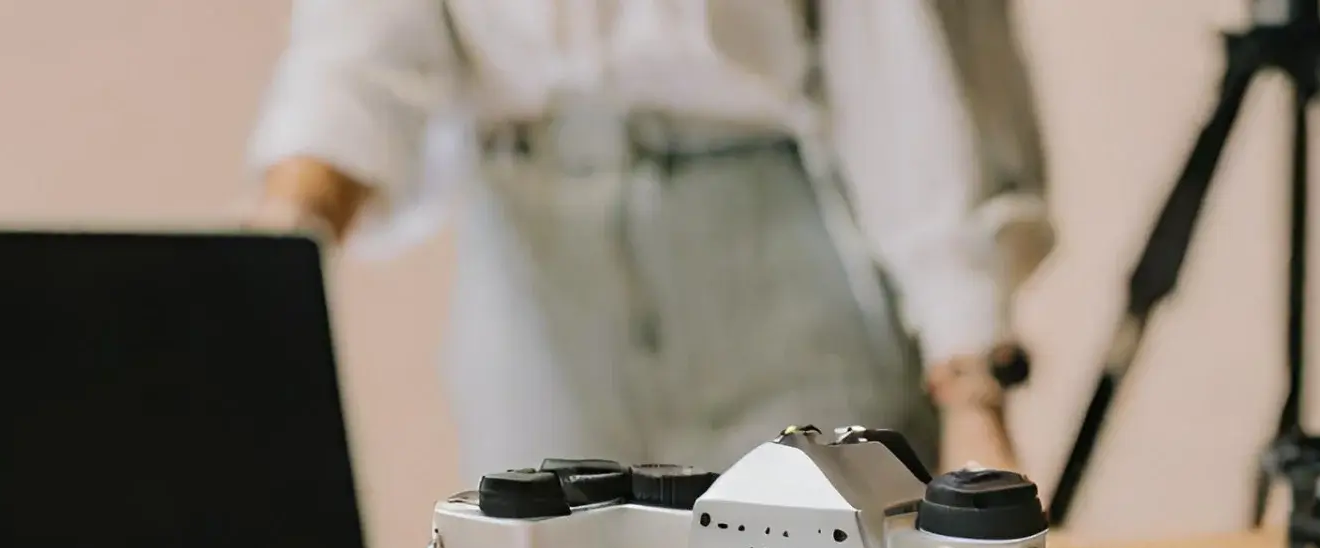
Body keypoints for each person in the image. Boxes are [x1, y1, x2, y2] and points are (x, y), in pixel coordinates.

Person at [248, 0, 1051, 483]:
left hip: (772, 243)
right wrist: (269, 265)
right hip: (533, 270)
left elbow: (903, 68)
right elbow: (355, 54)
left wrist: (972, 388)